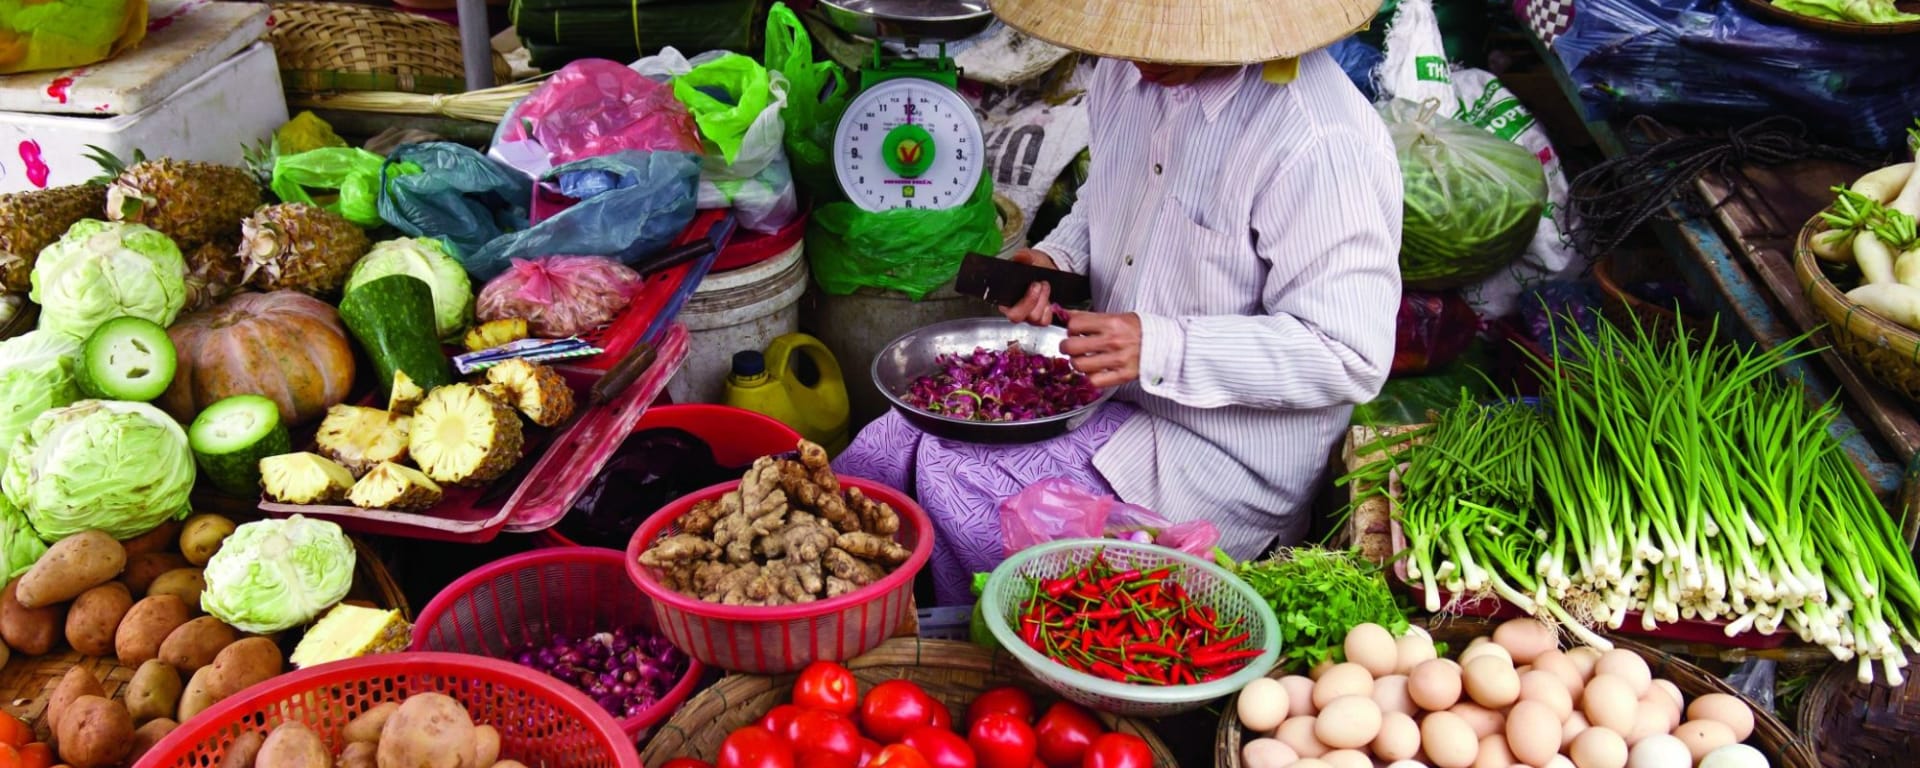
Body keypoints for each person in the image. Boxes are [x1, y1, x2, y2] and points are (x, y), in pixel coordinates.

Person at [834, 0, 1404, 604]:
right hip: (1110, 397)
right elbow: (1103, 201)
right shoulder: (1125, 72)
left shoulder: (1316, 140)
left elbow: (1348, 353)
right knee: (891, 440)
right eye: (1133, 32)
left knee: (959, 481)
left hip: (1217, 454)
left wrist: (1161, 345)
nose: (1141, 57)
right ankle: (848, 611)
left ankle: (974, 654)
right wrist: (1058, 263)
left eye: (1167, 41)